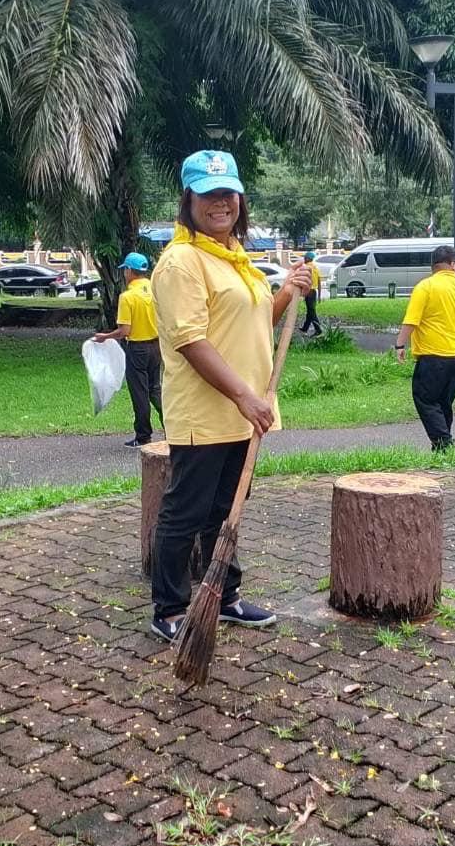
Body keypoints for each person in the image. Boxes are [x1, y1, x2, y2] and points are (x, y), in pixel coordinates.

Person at [149, 150, 311, 644]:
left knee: (227, 507)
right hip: (208, 409)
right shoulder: (182, 262)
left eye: (228, 192)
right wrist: (243, 395)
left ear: (239, 197)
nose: (220, 202)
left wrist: (287, 291)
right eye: (208, 193)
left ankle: (224, 595)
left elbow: (251, 323)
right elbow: (190, 340)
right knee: (187, 510)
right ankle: (170, 606)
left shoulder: (236, 260)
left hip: (245, 410)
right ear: (189, 198)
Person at [394, 246, 455, 451]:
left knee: (425, 399)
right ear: (453, 264)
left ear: (433, 265)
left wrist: (400, 344)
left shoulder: (425, 287)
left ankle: (444, 444)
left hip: (434, 357)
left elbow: (411, 320)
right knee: (443, 402)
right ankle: (442, 445)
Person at [94, 252, 163, 447]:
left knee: (140, 392)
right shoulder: (155, 289)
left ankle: (143, 436)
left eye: (125, 269)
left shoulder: (127, 297)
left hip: (137, 349)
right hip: (157, 346)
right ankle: (172, 429)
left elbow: (125, 331)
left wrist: (104, 337)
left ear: (129, 271)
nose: (124, 273)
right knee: (155, 389)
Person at [299, 251, 323, 336]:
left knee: (312, 312)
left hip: (309, 292)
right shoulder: (316, 267)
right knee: (310, 311)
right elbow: (319, 282)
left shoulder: (306, 267)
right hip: (314, 292)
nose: (304, 259)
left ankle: (318, 330)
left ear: (308, 258)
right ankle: (305, 328)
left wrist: (303, 293)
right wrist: (319, 295)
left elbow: (305, 281)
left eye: (305, 257)